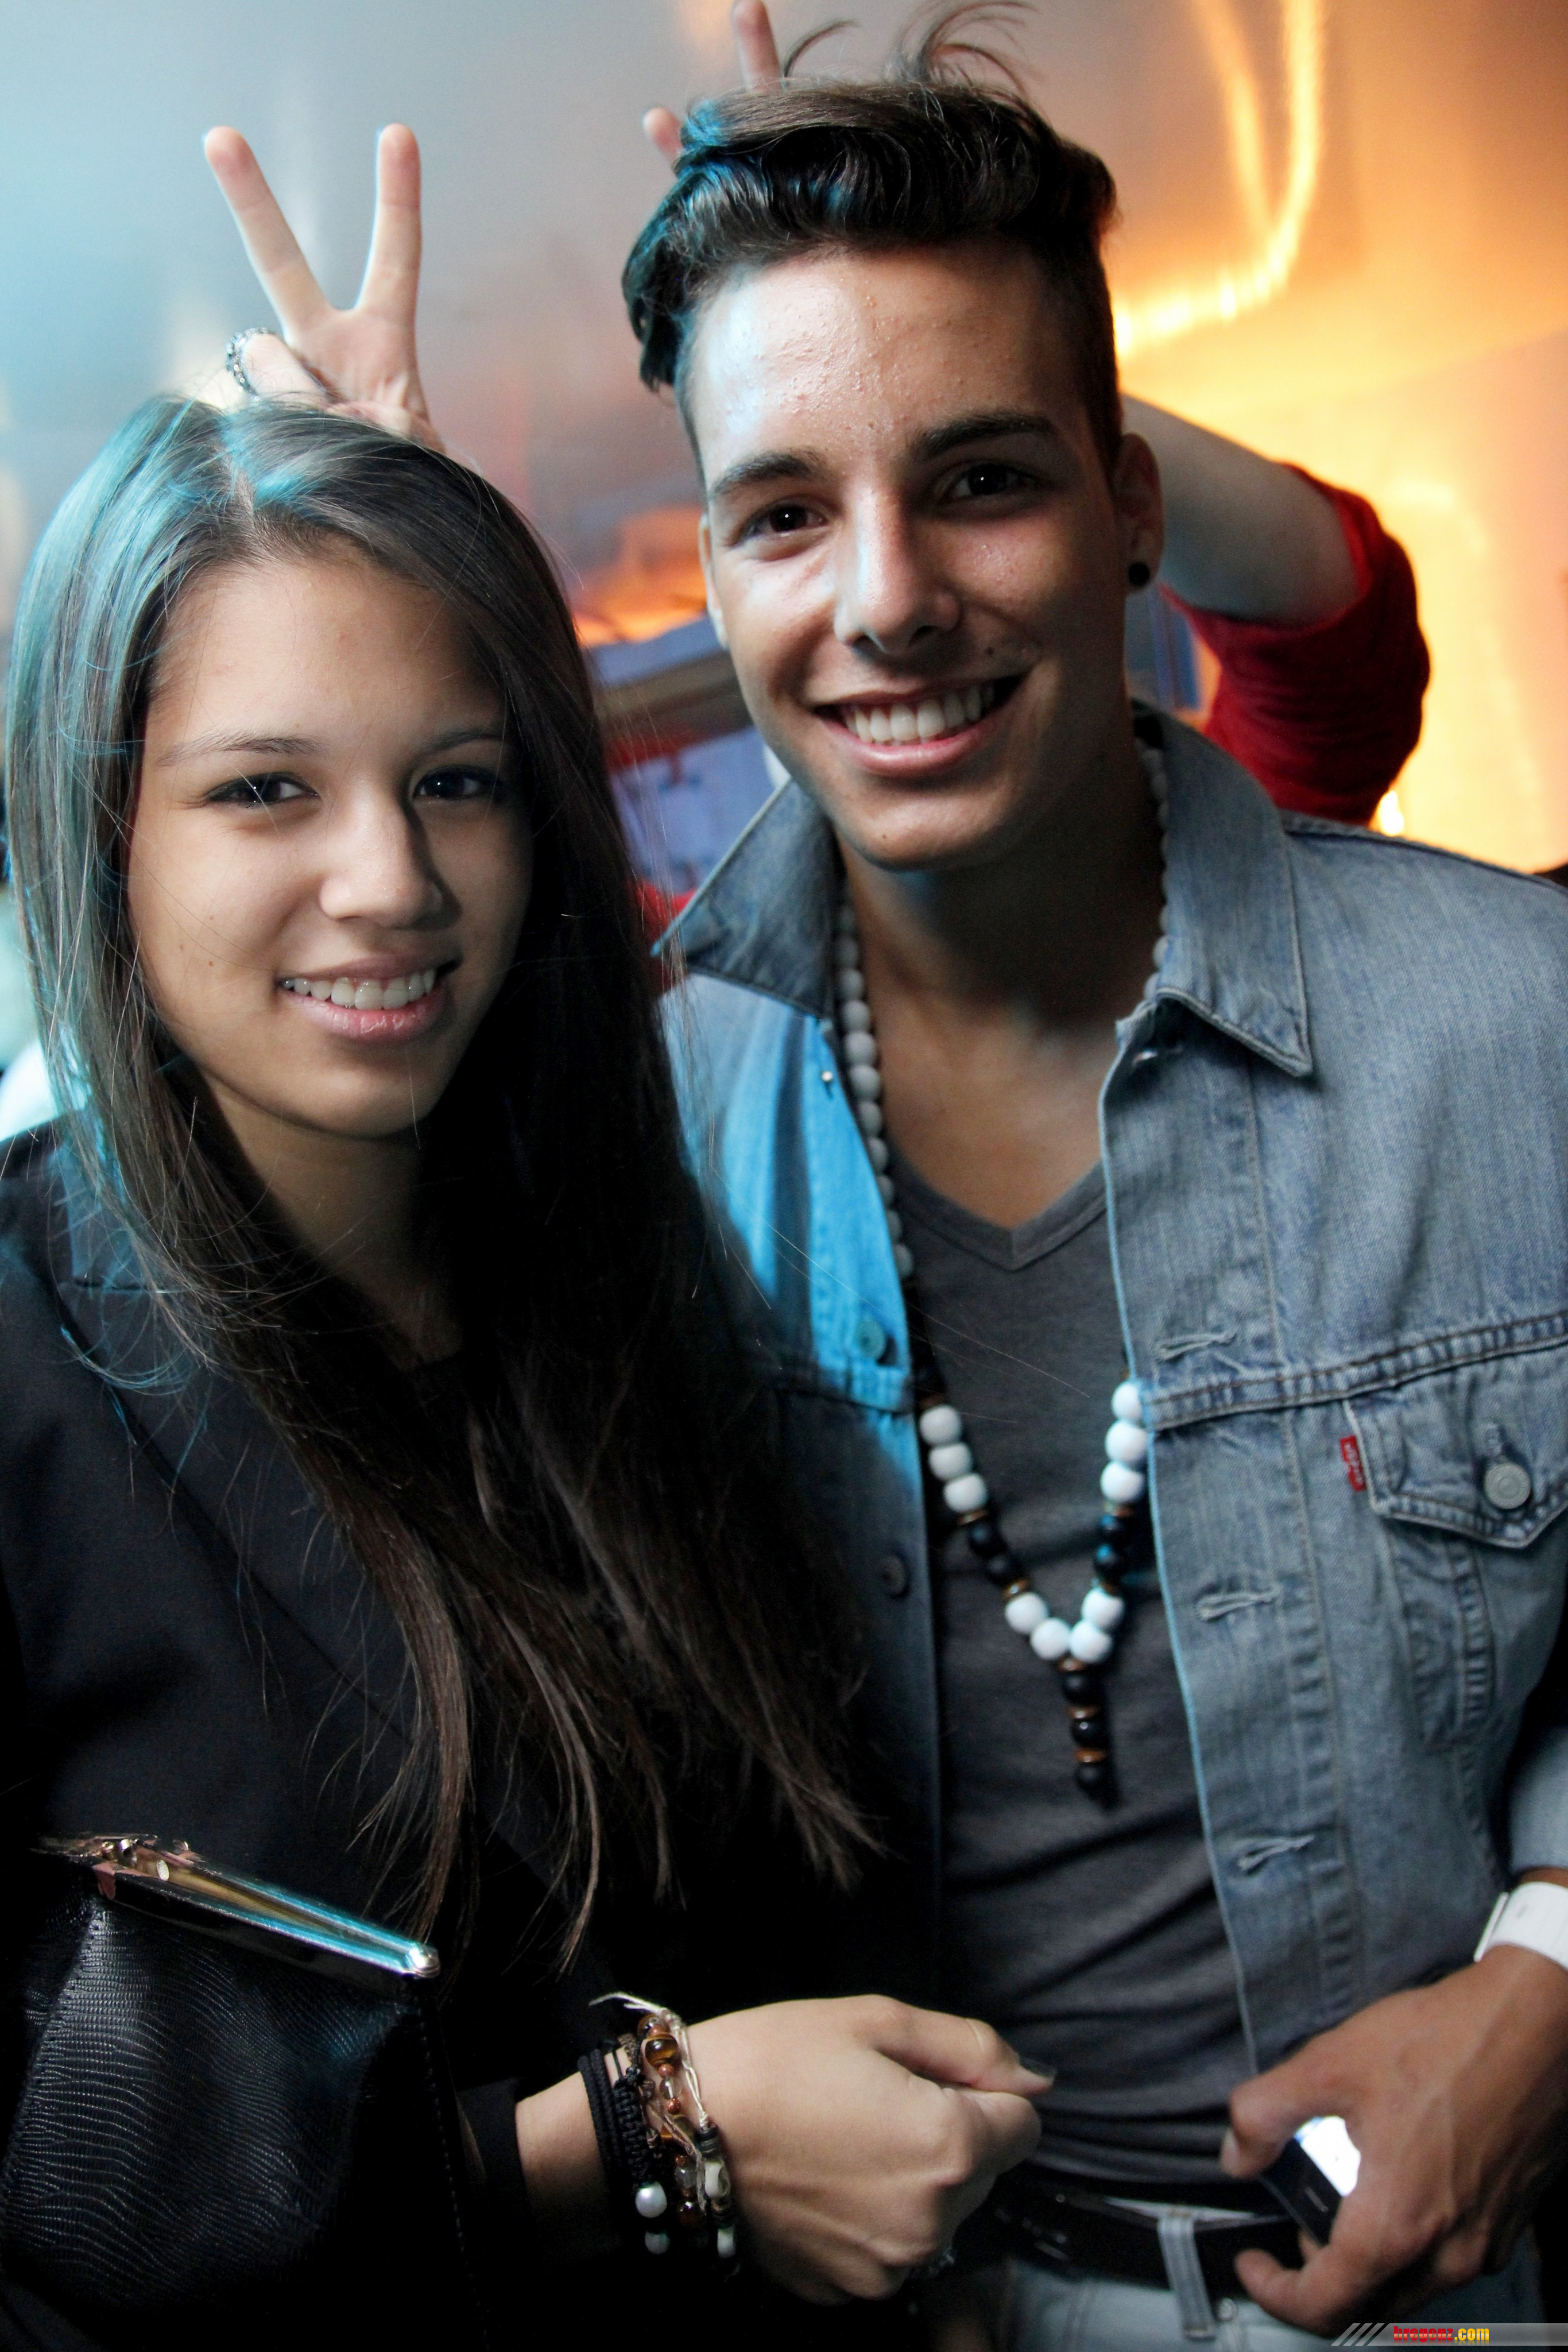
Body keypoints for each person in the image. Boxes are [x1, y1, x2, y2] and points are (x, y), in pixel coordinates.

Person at [610, 20, 1568, 2348]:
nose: (886, 597)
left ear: (1126, 505)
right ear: (713, 568)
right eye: (780, 513)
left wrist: (1550, 1976)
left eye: (978, 479)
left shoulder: (1510, 1022)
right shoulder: (632, 1136)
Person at [0, 395, 1047, 2348]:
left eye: (456, 780)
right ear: (99, 832)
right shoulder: (30, 1362)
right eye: (264, 790)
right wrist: (628, 2145)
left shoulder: (612, 1256)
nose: (389, 881)